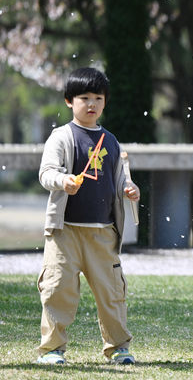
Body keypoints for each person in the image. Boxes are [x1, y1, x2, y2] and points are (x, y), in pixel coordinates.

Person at [36, 67, 140, 366]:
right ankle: (52, 349)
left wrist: (129, 189)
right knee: (57, 289)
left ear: (105, 102)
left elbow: (121, 179)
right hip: (64, 231)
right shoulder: (61, 137)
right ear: (70, 101)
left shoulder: (111, 141)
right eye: (84, 97)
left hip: (102, 233)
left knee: (111, 294)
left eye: (98, 97)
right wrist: (64, 181)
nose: (91, 103)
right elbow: (46, 173)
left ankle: (118, 347)